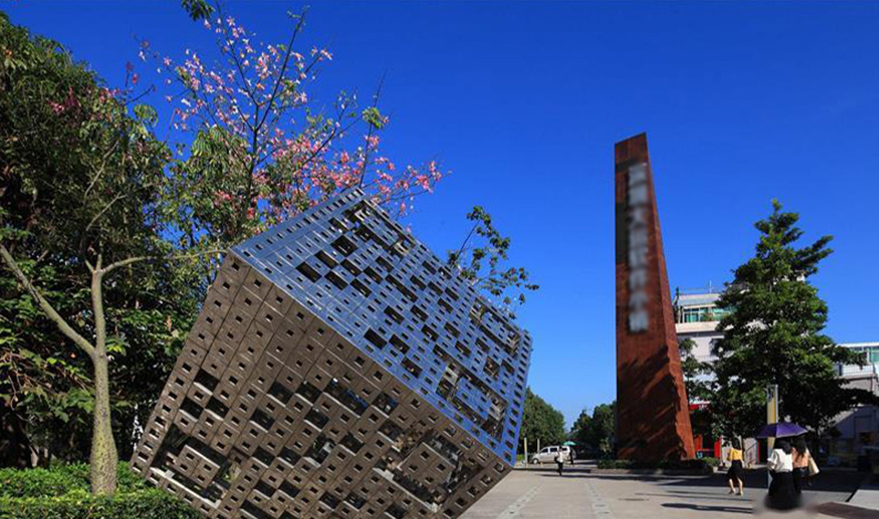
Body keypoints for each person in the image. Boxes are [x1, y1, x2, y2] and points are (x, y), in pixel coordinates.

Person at [766, 439, 799, 510]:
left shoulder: (776, 451)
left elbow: (772, 464)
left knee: (774, 489)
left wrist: (769, 467)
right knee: (788, 491)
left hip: (780, 474)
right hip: (789, 474)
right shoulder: (789, 451)